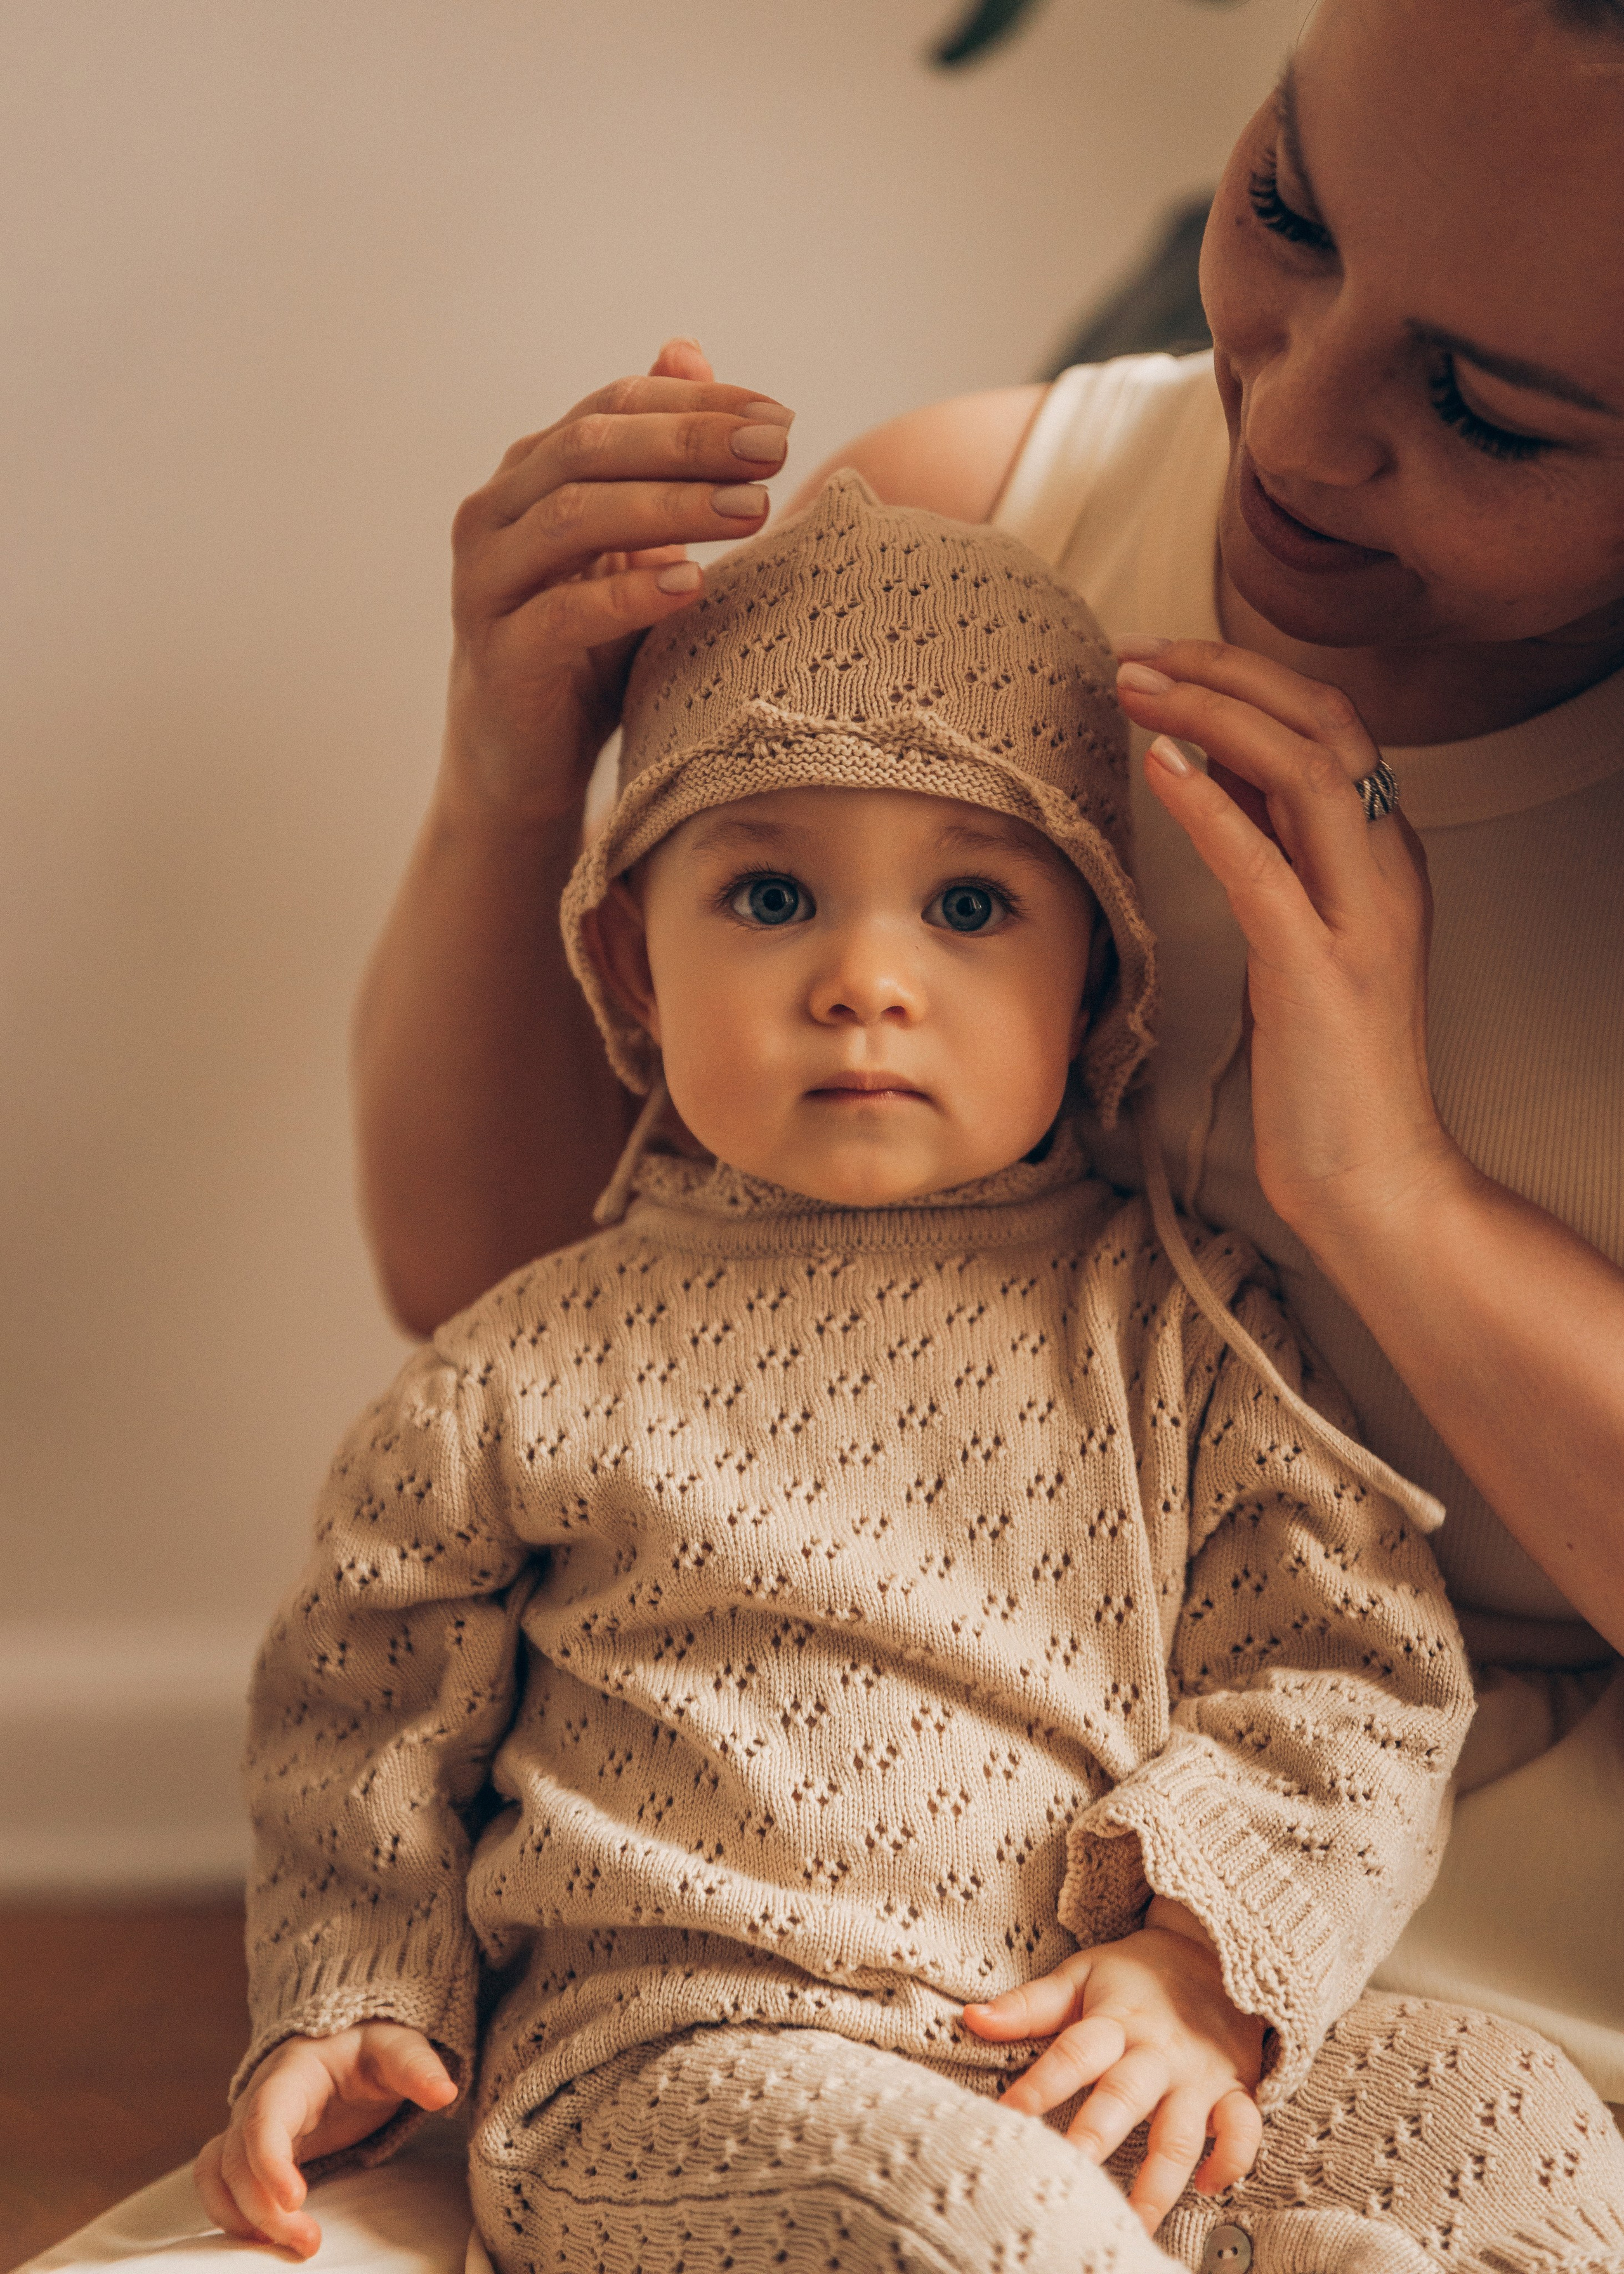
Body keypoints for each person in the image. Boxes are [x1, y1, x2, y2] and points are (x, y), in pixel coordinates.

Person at [350, 0, 1624, 2100]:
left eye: (1486, 408)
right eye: (1286, 209)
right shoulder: (983, 528)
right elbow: (522, 1300)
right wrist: (510, 791)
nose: (1292, 432)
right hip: (872, 1861)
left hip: (1518, 1985)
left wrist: (1382, 1184)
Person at [198, 485, 1623, 2271]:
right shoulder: (528, 1361)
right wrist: (352, 1993)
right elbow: (363, 1709)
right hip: (686, 2064)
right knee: (972, 2223)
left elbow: (1345, 1675)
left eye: (968, 903)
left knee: (1499, 2121)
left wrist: (1199, 1963)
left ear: (1094, 969)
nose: (866, 980)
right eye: (772, 893)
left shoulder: (1182, 1327)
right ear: (637, 962)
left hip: (1070, 2042)